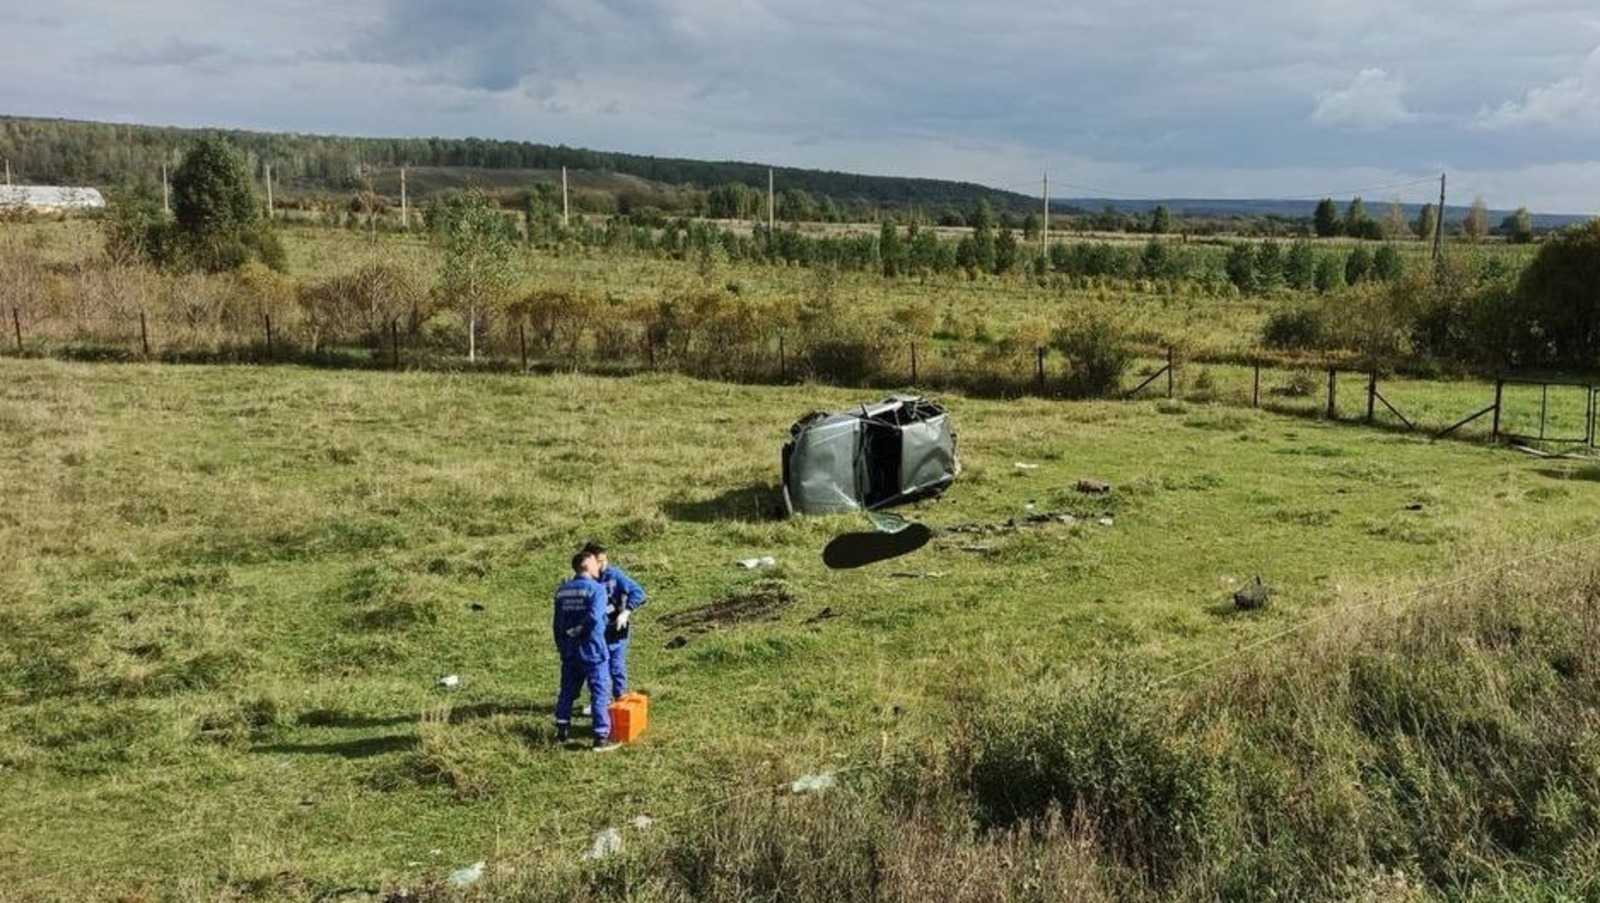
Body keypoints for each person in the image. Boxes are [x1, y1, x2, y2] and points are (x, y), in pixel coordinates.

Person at [552, 550, 620, 752]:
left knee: (567, 690)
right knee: (599, 691)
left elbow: (556, 623)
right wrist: (580, 630)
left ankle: (562, 729)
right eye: (594, 563)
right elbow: (594, 616)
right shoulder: (597, 590)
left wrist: (562, 645)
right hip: (592, 648)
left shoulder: (562, 591)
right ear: (586, 566)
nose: (598, 567)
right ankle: (600, 737)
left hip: (569, 650)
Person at [583, 540, 647, 698]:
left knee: (616, 667)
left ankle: (620, 699)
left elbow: (638, 592)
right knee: (595, 668)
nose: (603, 565)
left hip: (615, 630)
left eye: (604, 560)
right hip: (595, 631)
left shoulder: (614, 575)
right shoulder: (584, 579)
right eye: (599, 562)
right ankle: (598, 701)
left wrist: (626, 612)